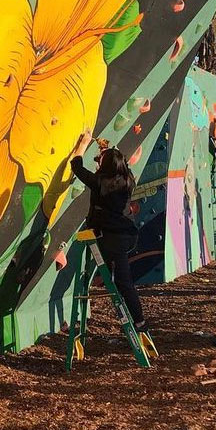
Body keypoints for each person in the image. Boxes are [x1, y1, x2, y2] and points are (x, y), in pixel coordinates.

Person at [70, 131, 148, 334]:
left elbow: (76, 165)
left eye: (100, 161)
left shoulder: (100, 183)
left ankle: (138, 323)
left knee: (123, 281)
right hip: (126, 234)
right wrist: (105, 149)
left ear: (105, 167)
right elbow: (118, 161)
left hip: (110, 238)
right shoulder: (128, 178)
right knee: (123, 281)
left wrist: (84, 143)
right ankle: (138, 321)